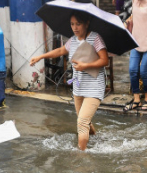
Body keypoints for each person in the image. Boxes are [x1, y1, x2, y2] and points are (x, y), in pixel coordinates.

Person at [29, 11, 109, 151]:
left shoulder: (95, 38)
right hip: (79, 86)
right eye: (72, 24)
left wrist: (86, 66)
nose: (75, 27)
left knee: (82, 122)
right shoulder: (72, 40)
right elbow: (60, 51)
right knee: (84, 120)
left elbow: (104, 60)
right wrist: (40, 57)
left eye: (78, 24)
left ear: (86, 23)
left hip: (94, 86)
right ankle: (97, 140)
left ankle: (81, 154)